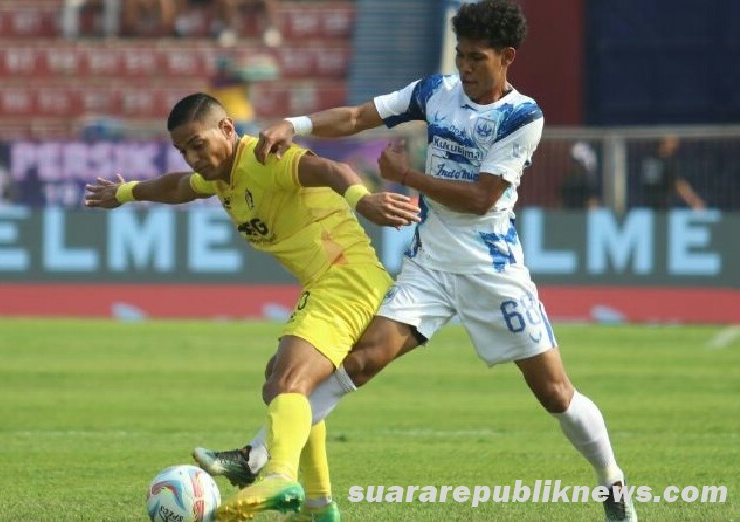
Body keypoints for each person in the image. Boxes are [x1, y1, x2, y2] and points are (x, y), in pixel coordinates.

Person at [195, 2, 638, 521]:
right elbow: (359, 117)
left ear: (507, 57)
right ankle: (256, 457)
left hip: (492, 272)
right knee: (359, 361)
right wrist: (296, 123)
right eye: (461, 55)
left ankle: (612, 482)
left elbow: (481, 198)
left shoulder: (522, 117)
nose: (465, 67)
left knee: (555, 393)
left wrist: (406, 176)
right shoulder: (436, 91)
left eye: (477, 58)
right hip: (430, 267)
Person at [83, 92, 421, 521]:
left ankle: (278, 474)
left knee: (289, 380)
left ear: (227, 129)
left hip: (345, 276)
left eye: (197, 145)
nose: (192, 158)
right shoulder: (223, 177)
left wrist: (363, 199)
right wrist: (125, 192)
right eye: (183, 150)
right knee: (282, 382)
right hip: (331, 282)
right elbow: (176, 187)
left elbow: (329, 169)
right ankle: (318, 507)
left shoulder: (264, 158)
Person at [638, 135, 705, 210]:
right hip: (654, 207)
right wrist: (693, 200)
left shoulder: (670, 161)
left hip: (664, 206)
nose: (676, 143)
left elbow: (678, 183)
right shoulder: (652, 160)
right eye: (672, 140)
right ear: (663, 142)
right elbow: (678, 184)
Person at [560, 141, 600, 209]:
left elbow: (593, 202)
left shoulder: (588, 183)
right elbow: (561, 202)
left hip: (583, 212)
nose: (577, 166)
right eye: (575, 164)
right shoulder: (568, 182)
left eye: (579, 164)